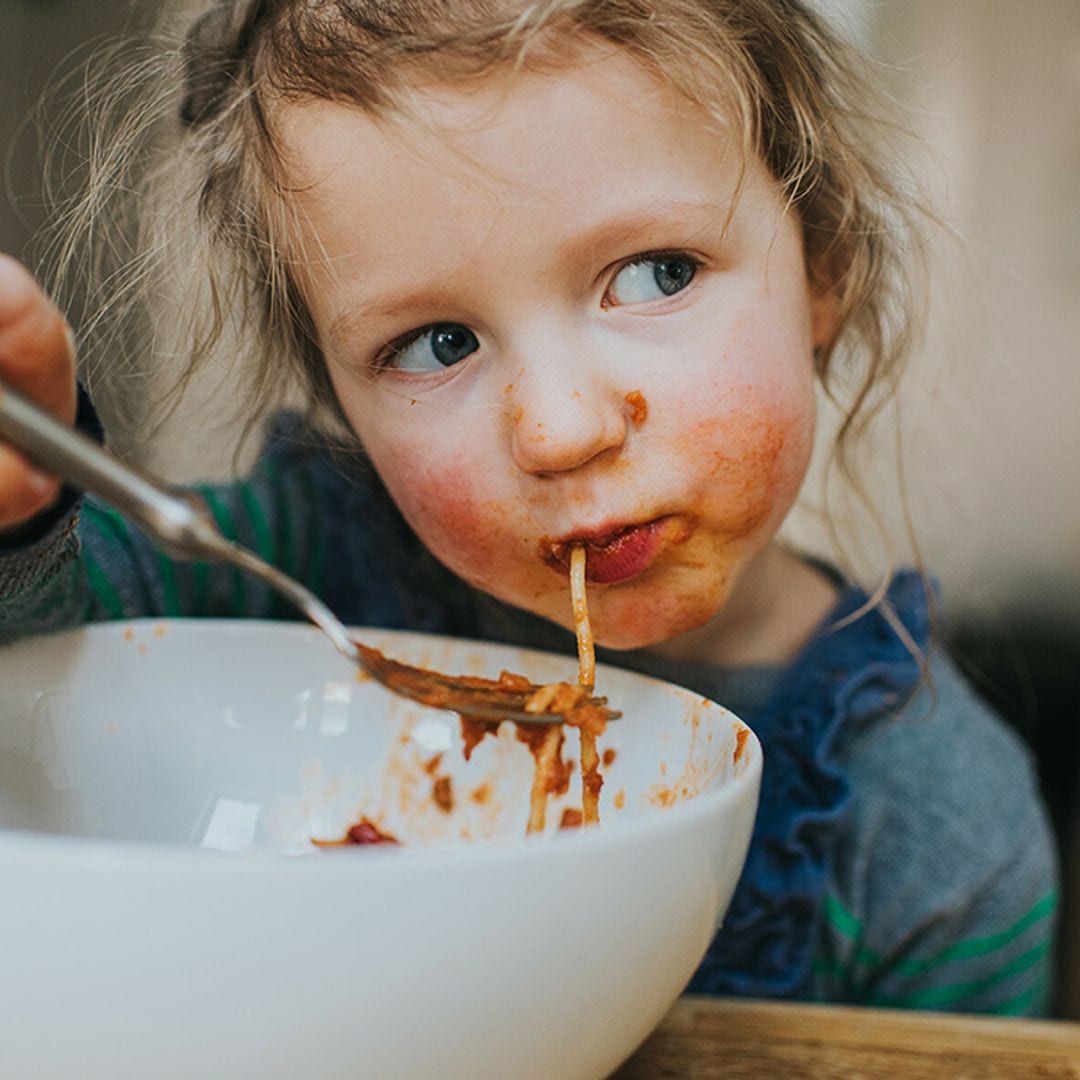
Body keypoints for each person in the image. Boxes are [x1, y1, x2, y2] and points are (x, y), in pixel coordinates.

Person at [0, 0, 1058, 1013]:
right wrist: (19, 517)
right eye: (435, 346)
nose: (558, 430)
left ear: (824, 268)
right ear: (342, 406)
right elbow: (35, 657)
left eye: (654, 275)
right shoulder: (278, 565)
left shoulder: (943, 835)